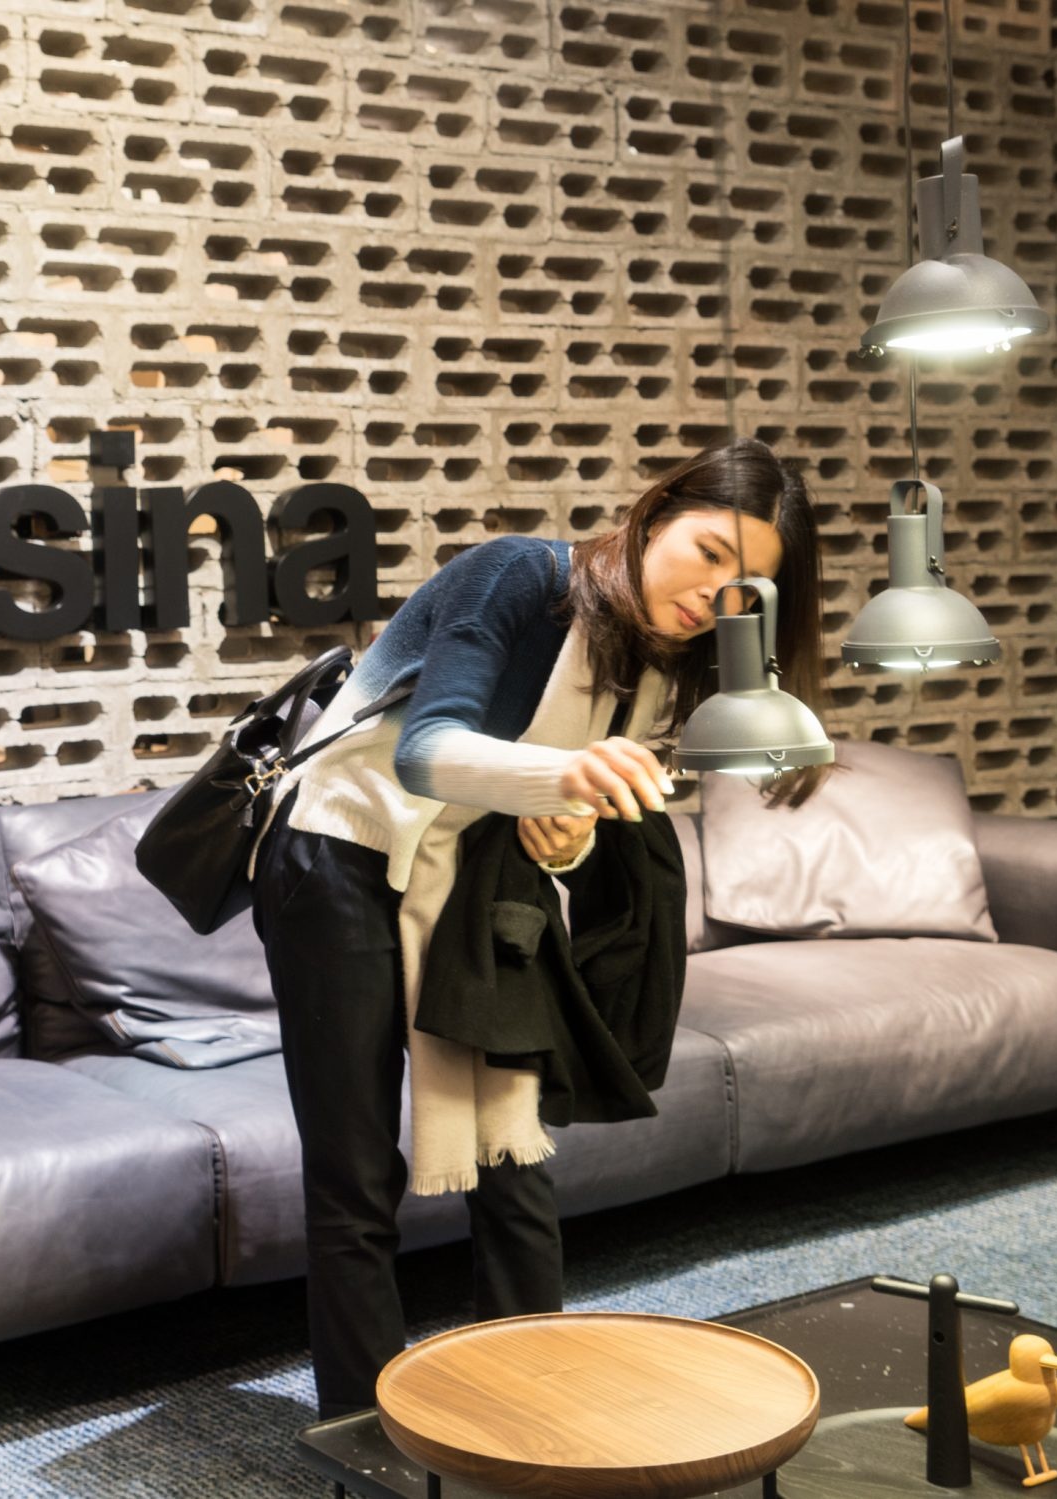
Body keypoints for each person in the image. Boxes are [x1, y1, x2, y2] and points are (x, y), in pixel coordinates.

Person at [249, 437, 831, 1418]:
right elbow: (431, 752)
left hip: (468, 874)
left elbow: (547, 832)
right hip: (334, 854)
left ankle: (533, 1407)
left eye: (749, 586)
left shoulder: (665, 663)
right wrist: (561, 778)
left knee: (511, 1154)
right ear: (654, 515)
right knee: (355, 1173)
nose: (714, 595)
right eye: (707, 552)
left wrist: (560, 835)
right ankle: (360, 1434)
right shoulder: (519, 576)